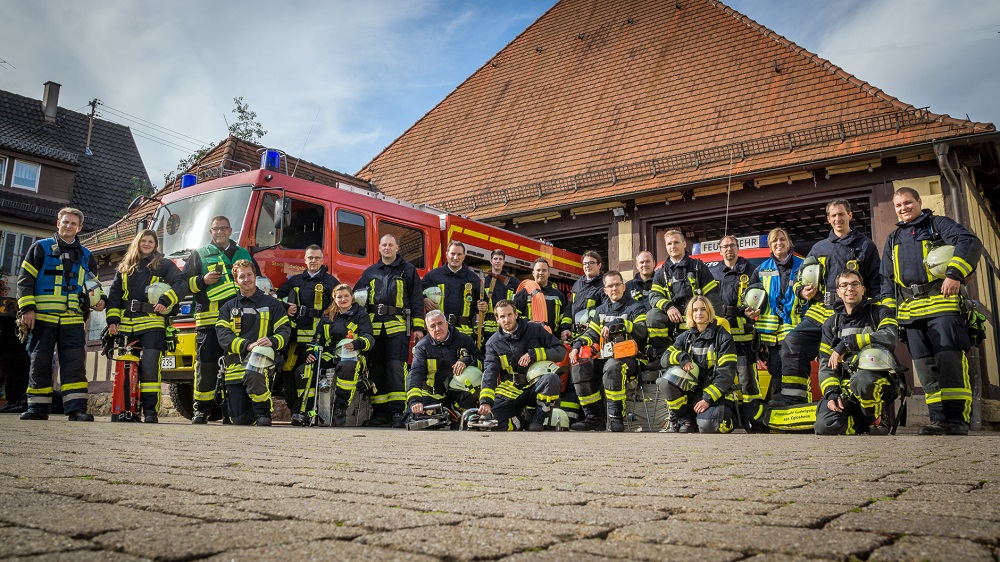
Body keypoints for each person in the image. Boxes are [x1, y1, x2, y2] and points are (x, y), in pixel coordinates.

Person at [881, 187, 982, 435]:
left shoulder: (937, 225)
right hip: (911, 313)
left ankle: (958, 419)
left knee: (950, 362)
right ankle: (938, 419)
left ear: (919, 201)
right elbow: (887, 280)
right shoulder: (893, 239)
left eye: (908, 203)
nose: (903, 208)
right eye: (898, 205)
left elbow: (969, 242)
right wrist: (889, 318)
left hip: (943, 305)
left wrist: (954, 274)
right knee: (925, 369)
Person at [775, 200, 882, 405]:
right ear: (828, 219)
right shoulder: (819, 247)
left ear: (850, 215)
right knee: (792, 342)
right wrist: (801, 290)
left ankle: (861, 403)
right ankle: (792, 400)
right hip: (820, 311)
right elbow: (799, 277)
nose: (837, 219)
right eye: (833, 216)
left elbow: (876, 282)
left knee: (852, 355)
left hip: (852, 313)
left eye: (841, 214)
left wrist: (876, 311)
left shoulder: (865, 245)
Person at [17, 207, 104, 421]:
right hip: (43, 318)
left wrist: (100, 300)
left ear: (79, 228)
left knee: (74, 364)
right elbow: (24, 280)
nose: (68, 226)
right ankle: (37, 408)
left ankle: (76, 409)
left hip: (73, 319)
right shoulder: (40, 248)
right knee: (40, 362)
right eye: (65, 222)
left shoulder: (86, 255)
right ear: (58, 223)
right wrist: (27, 310)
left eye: (73, 223)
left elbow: (93, 284)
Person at [183, 215, 260, 424]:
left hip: (239, 322)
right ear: (211, 232)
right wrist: (202, 280)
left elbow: (256, 283)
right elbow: (183, 284)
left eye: (224, 228)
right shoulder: (199, 255)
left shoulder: (242, 253)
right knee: (206, 366)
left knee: (235, 366)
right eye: (216, 229)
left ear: (230, 230)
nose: (220, 232)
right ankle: (201, 410)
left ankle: (230, 412)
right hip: (209, 321)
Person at [105, 230, 186, 423]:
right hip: (127, 325)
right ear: (137, 243)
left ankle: (150, 411)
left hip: (153, 323)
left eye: (151, 241)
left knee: (150, 366)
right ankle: (127, 409)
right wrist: (112, 321)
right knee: (128, 367)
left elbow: (181, 284)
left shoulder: (164, 265)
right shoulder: (124, 267)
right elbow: (114, 295)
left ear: (155, 245)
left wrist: (167, 299)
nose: (147, 244)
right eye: (144, 240)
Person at [815, 270, 899, 435]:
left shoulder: (880, 312)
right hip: (848, 388)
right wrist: (831, 393)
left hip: (878, 382)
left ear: (863, 289)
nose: (850, 289)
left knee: (862, 380)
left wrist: (848, 343)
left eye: (855, 284)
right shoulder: (831, 324)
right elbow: (826, 364)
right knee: (824, 426)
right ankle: (863, 421)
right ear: (838, 292)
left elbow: (889, 337)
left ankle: (877, 419)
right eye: (844, 285)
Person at [355, 234, 425, 428]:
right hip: (375, 328)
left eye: (391, 245)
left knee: (396, 369)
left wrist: (418, 327)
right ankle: (380, 412)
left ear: (397, 248)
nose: (387, 248)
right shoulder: (370, 272)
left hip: (398, 327)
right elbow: (357, 297)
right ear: (379, 248)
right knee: (376, 369)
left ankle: (396, 412)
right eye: (384, 245)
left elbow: (417, 299)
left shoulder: (408, 270)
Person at [568, 271, 647, 432]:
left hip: (630, 359)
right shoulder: (601, 310)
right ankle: (594, 419)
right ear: (605, 290)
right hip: (605, 358)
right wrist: (577, 345)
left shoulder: (636, 307)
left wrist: (621, 323)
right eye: (610, 286)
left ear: (624, 287)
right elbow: (592, 334)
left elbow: (642, 332)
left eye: (617, 284)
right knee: (579, 366)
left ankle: (616, 418)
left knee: (612, 367)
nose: (614, 288)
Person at [215, 260, 290, 426]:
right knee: (240, 420)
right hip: (235, 368)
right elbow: (223, 336)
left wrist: (272, 341)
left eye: (249, 275)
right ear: (236, 280)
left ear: (255, 276)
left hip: (262, 364)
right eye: (241, 276)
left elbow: (285, 331)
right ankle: (253, 413)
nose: (246, 279)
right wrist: (247, 345)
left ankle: (263, 411)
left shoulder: (272, 304)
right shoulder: (228, 308)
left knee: (255, 373)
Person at [478, 300, 567, 431]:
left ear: (516, 314)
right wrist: (486, 401)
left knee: (552, 379)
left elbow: (560, 351)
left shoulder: (535, 330)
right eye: (502, 317)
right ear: (497, 319)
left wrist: (534, 354)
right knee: (489, 419)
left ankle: (539, 419)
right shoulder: (493, 343)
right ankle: (519, 421)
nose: (506, 320)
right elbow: (489, 373)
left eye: (509, 315)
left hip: (536, 385)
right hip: (511, 389)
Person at [296, 284, 374, 426]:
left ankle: (340, 408)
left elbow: (369, 338)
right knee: (303, 371)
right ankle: (308, 411)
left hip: (354, 354)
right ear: (334, 298)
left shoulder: (361, 314)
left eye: (346, 296)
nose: (343, 299)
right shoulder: (327, 316)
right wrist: (311, 353)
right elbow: (317, 340)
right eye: (339, 297)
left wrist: (356, 344)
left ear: (352, 297)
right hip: (331, 354)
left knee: (347, 367)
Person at [658, 296, 737, 433]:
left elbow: (726, 375)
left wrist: (707, 399)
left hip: (715, 395)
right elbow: (664, 359)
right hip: (693, 394)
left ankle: (728, 420)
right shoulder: (686, 337)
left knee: (708, 426)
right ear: (690, 313)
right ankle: (684, 420)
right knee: (665, 381)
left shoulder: (723, 338)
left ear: (709, 312)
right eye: (695, 310)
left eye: (703, 310)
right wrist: (681, 357)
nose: (699, 313)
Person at [275, 245, 340, 410]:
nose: (313, 261)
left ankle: (310, 409)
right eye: (310, 257)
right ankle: (297, 409)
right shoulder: (295, 281)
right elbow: (275, 298)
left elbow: (340, 305)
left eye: (317, 258)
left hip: (320, 338)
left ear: (322, 259)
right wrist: (286, 307)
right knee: (292, 374)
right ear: (305, 260)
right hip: (297, 338)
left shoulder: (331, 282)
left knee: (313, 373)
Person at [748, 228, 806, 401]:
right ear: (770, 246)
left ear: (788, 243)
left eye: (782, 239)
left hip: (795, 329)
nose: (779, 243)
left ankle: (793, 407)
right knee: (776, 368)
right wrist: (749, 310)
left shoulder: (802, 265)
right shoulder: (760, 270)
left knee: (795, 369)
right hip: (771, 333)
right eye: (774, 241)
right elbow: (751, 296)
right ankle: (778, 409)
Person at [708, 235, 764, 407]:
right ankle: (728, 412)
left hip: (743, 334)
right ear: (720, 250)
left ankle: (753, 413)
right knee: (723, 375)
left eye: (732, 245)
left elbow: (761, 296)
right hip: (720, 333)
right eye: (724, 246)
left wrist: (756, 310)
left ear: (738, 248)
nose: (728, 249)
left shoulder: (751, 270)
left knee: (746, 377)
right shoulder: (713, 272)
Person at [647, 230, 721, 358]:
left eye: (676, 242)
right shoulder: (661, 272)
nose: (673, 246)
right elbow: (654, 296)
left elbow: (712, 296)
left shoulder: (698, 267)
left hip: (696, 315)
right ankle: (663, 356)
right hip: (673, 318)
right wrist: (668, 307)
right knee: (652, 316)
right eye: (669, 243)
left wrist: (714, 323)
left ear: (684, 244)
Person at [407, 310, 484, 421]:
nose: (437, 329)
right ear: (427, 329)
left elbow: (483, 362)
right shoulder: (422, 347)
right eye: (432, 326)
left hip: (457, 392)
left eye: (440, 323)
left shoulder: (463, 340)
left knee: (470, 419)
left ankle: (462, 413)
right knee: (417, 418)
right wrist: (415, 401)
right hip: (432, 394)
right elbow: (415, 373)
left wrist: (467, 360)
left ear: (447, 323)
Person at [422, 241, 482, 338]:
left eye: (459, 254)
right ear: (446, 254)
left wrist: (482, 306)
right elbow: (416, 292)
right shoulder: (433, 275)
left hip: (464, 332)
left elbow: (481, 301)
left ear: (464, 256)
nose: (455, 257)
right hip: (439, 331)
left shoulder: (473, 278)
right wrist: (424, 299)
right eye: (452, 254)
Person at [512, 258, 571, 338]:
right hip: (529, 338)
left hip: (552, 338)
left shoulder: (558, 295)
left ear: (548, 273)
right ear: (533, 273)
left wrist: (564, 329)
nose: (541, 273)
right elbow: (515, 316)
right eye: (538, 270)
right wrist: (529, 323)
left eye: (544, 270)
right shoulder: (524, 293)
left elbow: (563, 316)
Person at [478, 249, 515, 350]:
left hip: (506, 326)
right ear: (491, 261)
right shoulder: (484, 281)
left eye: (500, 259)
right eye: (495, 259)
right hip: (487, 328)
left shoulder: (512, 282)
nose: (497, 261)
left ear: (504, 262)